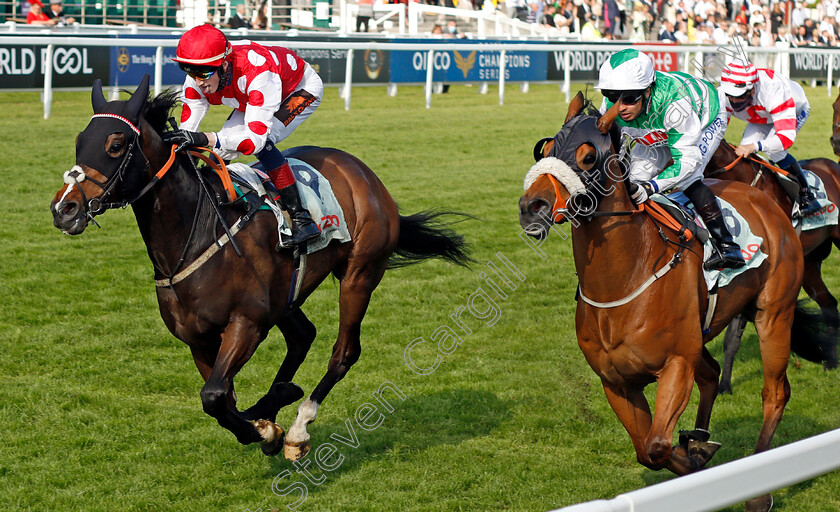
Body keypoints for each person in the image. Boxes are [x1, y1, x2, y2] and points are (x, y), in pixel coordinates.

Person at [165, 24, 322, 247]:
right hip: (250, 96)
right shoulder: (202, 68)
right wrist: (185, 142)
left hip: (300, 90)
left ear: (224, 64)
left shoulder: (258, 74)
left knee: (263, 143)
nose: (198, 80)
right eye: (188, 70)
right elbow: (189, 125)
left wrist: (205, 138)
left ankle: (302, 219)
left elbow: (254, 141)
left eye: (203, 73)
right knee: (221, 147)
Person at [596, 49, 746, 270]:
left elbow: (687, 160)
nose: (620, 107)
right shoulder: (612, 104)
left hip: (705, 118)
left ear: (647, 91)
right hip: (659, 125)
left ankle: (727, 246)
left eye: (628, 99)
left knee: (688, 177)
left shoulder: (675, 103)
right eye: (611, 96)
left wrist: (652, 186)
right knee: (634, 178)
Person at [719, 59, 822, 216]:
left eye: (738, 96)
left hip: (793, 109)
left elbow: (785, 137)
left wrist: (755, 146)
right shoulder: (725, 94)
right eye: (730, 96)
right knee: (743, 154)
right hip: (761, 115)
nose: (732, 100)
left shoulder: (774, 91)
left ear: (752, 89)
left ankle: (807, 195)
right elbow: (718, 129)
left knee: (775, 152)